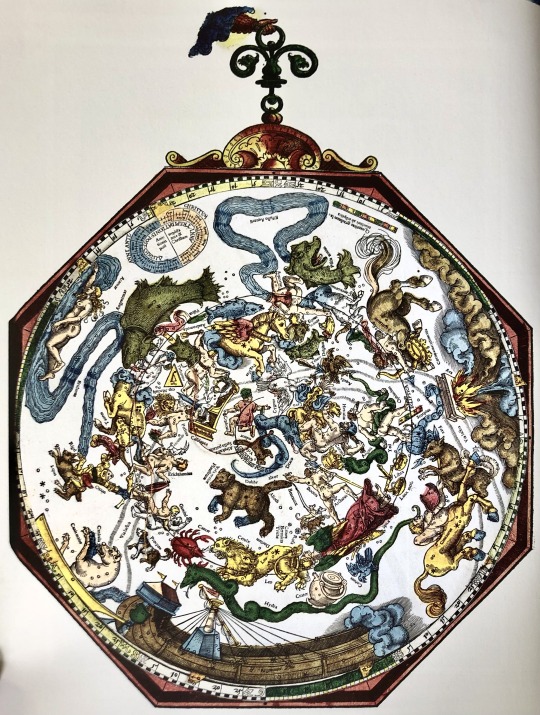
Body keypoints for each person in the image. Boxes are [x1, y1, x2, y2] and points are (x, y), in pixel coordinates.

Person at [40, 266, 103, 380]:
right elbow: (89, 283)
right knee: (55, 348)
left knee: (49, 344)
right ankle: (50, 372)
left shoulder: (88, 305)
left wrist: (61, 322)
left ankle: (60, 363)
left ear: (93, 293)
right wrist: (94, 273)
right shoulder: (85, 295)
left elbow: (77, 319)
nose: (89, 288)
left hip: (71, 328)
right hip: (67, 326)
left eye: (92, 289)